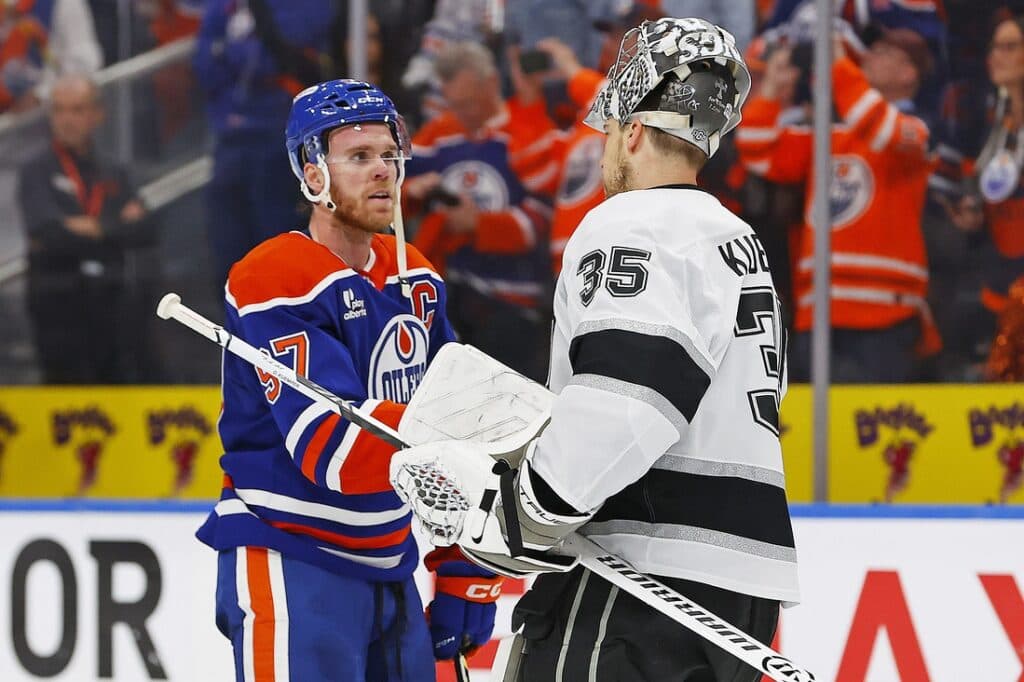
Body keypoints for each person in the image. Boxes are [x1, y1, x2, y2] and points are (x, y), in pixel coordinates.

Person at [393, 17, 799, 682]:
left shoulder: (636, 223)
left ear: (633, 130)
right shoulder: (737, 241)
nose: (608, 145)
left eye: (611, 130)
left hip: (640, 581)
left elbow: (632, 396)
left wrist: (525, 508)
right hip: (738, 592)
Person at [196, 79, 501, 681]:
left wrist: (465, 565)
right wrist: (449, 429)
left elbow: (471, 427)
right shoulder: (276, 277)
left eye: (390, 155)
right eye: (359, 157)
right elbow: (335, 450)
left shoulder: (415, 278)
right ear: (313, 174)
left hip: (391, 566)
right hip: (291, 557)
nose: (382, 172)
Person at [737, 27, 940, 383]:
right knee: (819, 434)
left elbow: (877, 126)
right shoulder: (830, 137)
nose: (868, 58)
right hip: (819, 309)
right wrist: (772, 87)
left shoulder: (916, 130)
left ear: (909, 72)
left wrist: (838, 66)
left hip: (885, 312)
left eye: (882, 51)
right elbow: (757, 147)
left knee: (872, 428)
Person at [404, 41, 559, 381]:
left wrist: (481, 225)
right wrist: (411, 194)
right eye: (454, 104)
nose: (461, 115)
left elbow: (546, 219)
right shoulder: (441, 132)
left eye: (469, 104)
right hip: (450, 294)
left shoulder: (527, 128)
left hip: (514, 302)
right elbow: (396, 189)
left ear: (491, 84)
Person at [17, 74, 156, 383]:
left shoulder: (113, 168)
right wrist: (115, 227)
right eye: (60, 110)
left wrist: (90, 228)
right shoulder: (35, 169)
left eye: (77, 110)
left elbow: (145, 230)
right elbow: (47, 234)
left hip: (111, 298)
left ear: (97, 114)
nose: (67, 120)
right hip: (56, 300)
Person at [192, 0, 340, 289]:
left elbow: (274, 57)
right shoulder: (226, 6)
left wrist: (228, 50)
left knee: (276, 241)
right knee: (227, 242)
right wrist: (233, 53)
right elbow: (203, 64)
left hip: (283, 133)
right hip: (230, 136)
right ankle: (232, 322)